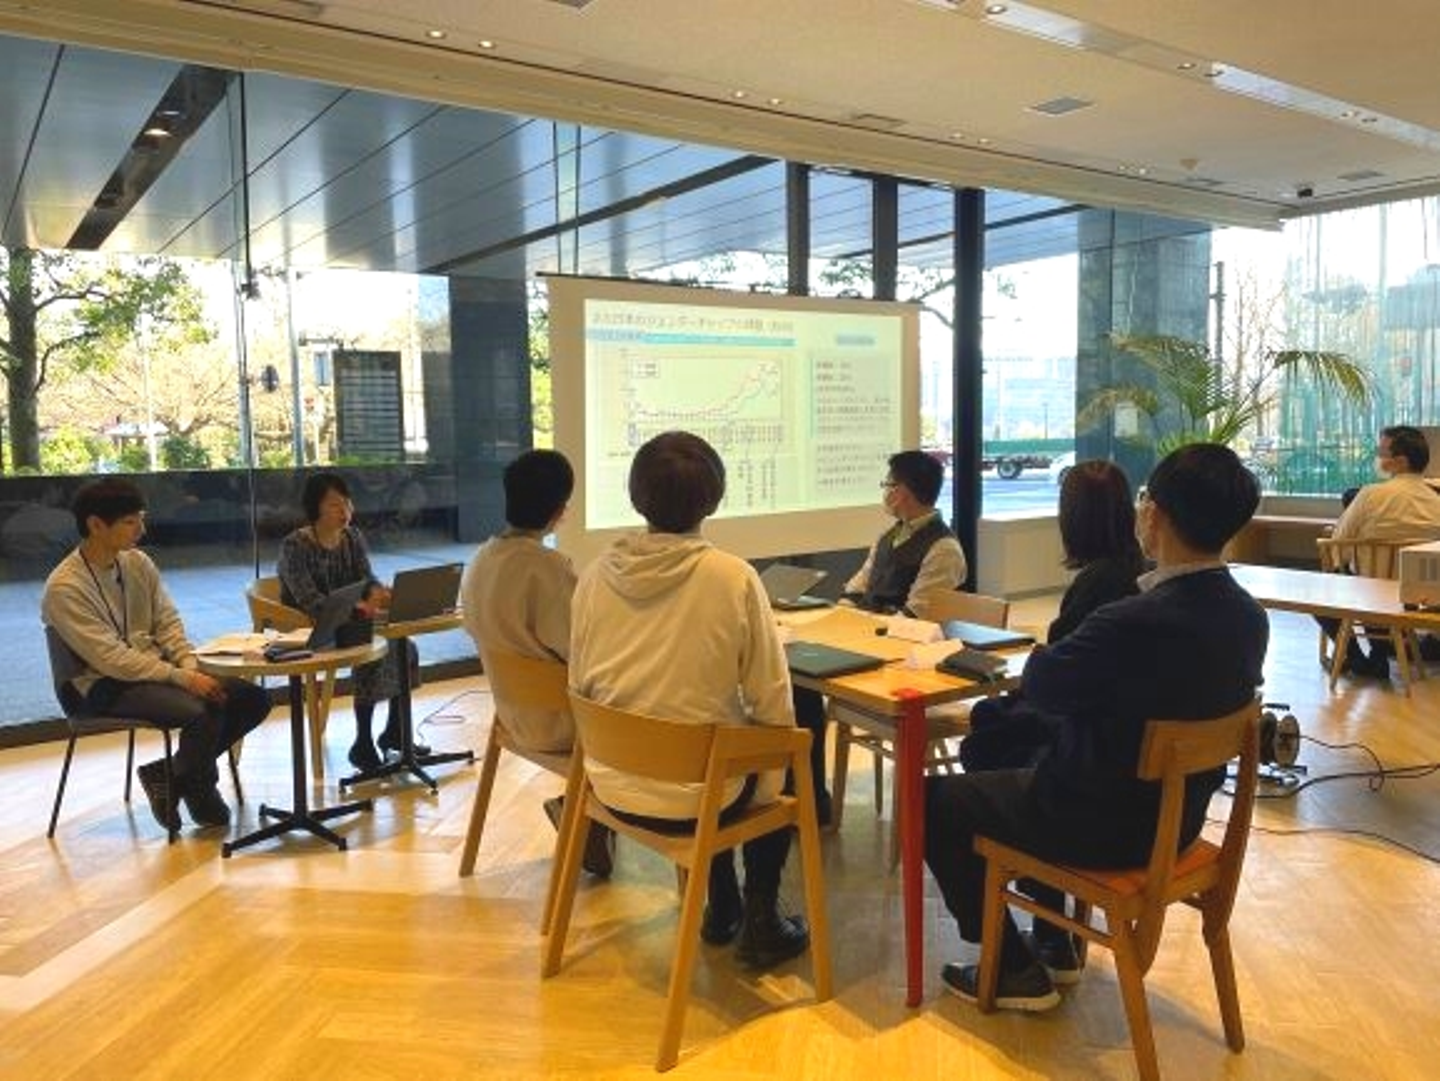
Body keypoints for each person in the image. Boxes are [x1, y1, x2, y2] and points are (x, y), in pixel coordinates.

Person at [923, 443, 1268, 1012]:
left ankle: (1011, 968)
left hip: (1097, 822)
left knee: (933, 799)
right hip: (1177, 825)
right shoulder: (1249, 618)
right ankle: (1055, 939)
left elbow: (1043, 684)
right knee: (1016, 757)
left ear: (1154, 514)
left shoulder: (1129, 621)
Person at [569, 430, 809, 969]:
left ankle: (721, 907)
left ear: (635, 495)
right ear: (714, 498)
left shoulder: (594, 575)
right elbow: (772, 701)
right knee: (775, 750)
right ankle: (762, 920)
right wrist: (770, 787)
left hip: (610, 785)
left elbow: (581, 683)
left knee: (711, 742)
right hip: (701, 799)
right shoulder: (733, 578)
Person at [956, 458, 1145, 974]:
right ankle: (1050, 925)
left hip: (1084, 756)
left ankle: (1036, 917)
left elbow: (1054, 682)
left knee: (983, 742)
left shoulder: (1098, 584)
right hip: (1116, 753)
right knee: (993, 725)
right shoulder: (1136, 572)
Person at [41, 478, 270, 832]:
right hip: (97, 686)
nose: (141, 530)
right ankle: (198, 786)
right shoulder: (65, 587)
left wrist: (189, 665)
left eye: (141, 519)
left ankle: (171, 774)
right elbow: (110, 659)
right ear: (96, 525)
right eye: (130, 522)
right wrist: (184, 678)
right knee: (201, 710)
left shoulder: (137, 563)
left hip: (154, 671)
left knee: (253, 698)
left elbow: (167, 622)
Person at [460, 449, 613, 877]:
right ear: (560, 511)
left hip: (510, 713)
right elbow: (583, 651)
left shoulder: (481, 560)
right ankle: (594, 813)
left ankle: (587, 817)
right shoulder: (546, 568)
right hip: (560, 723)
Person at [794, 449, 968, 822]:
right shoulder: (889, 536)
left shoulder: (943, 548)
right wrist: (842, 615)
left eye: (888, 484)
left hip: (906, 666)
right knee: (798, 686)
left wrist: (858, 625)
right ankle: (807, 798)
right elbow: (857, 587)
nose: (885, 492)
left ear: (903, 491)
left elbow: (916, 618)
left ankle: (809, 801)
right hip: (870, 647)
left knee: (803, 688)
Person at [277, 472, 420, 771]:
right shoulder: (295, 545)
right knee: (372, 652)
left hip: (350, 621)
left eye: (347, 504)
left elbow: (366, 579)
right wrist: (360, 608)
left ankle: (395, 732)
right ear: (315, 507)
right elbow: (310, 601)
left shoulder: (352, 538)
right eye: (335, 505)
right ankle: (363, 742)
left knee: (404, 647)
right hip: (310, 628)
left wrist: (379, 593)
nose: (344, 512)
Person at [1322, 425, 1440, 676]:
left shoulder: (1370, 496)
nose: (1377, 457)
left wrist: (1342, 563)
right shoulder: (1436, 502)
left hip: (1369, 591)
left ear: (1400, 461)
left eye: (1381, 452)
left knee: (1321, 587)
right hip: (1417, 597)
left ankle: (1356, 659)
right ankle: (1382, 652)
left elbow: (1338, 543)